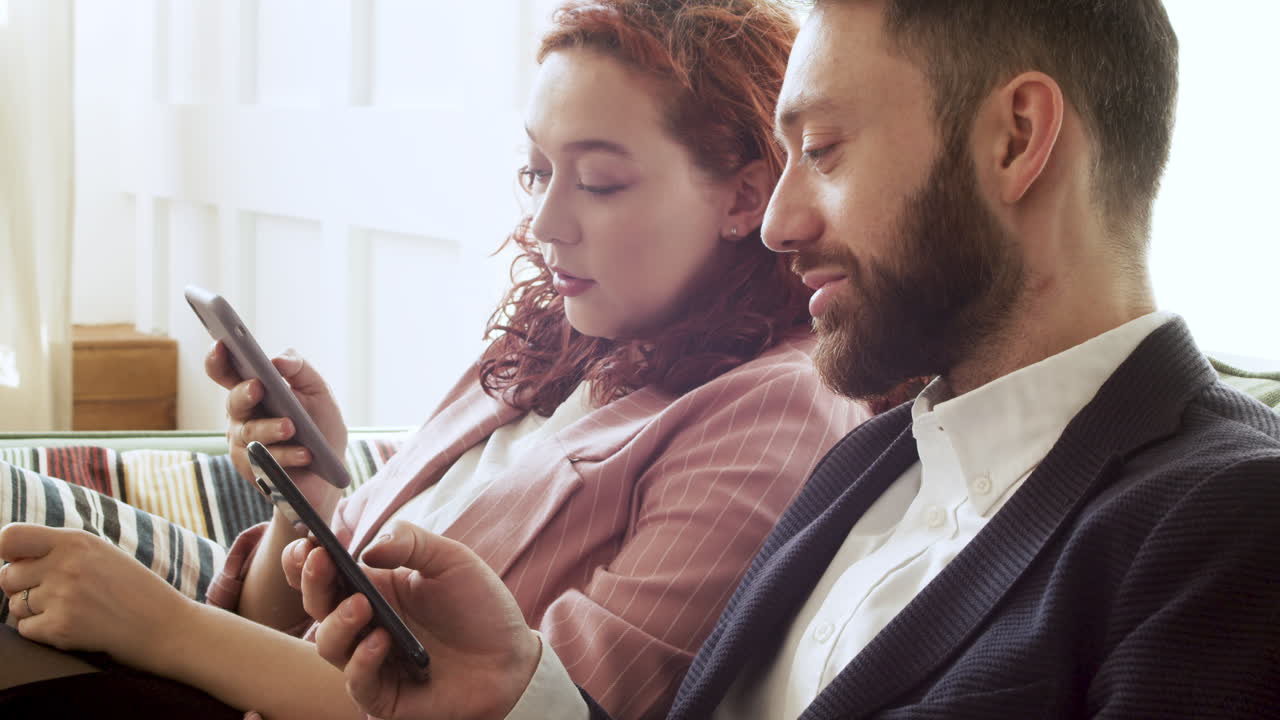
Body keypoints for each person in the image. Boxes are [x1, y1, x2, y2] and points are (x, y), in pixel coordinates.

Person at [288, 0, 1280, 718]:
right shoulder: (864, 463)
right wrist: (520, 696)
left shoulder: (1230, 523)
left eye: (824, 151)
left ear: (1013, 141)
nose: (773, 222)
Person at [0, 2, 878, 718]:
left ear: (745, 196)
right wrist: (304, 500)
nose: (545, 224)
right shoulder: (551, 343)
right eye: (538, 170)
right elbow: (278, 628)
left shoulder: (775, 412)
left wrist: (164, 628)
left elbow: (549, 708)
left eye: (600, 181)